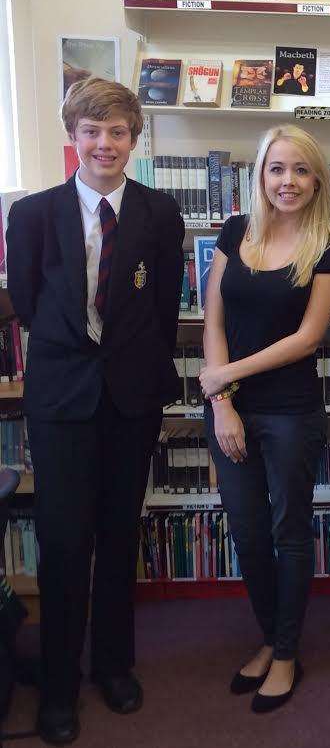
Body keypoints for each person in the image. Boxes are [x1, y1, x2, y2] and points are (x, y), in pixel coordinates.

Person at [6, 77, 184, 744]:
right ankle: (58, 685)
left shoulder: (160, 214)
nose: (105, 143)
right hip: (61, 401)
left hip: (130, 398)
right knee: (61, 541)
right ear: (73, 138)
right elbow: (28, 303)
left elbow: (162, 308)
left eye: (117, 132)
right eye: (92, 131)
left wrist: (137, 373)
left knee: (117, 536)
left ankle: (113, 665)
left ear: (134, 139)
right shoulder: (31, 215)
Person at [199, 125, 330, 714]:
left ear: (317, 181)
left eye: (301, 171)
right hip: (230, 411)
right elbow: (213, 319)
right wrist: (222, 401)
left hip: (290, 412)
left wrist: (224, 376)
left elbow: (309, 337)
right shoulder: (236, 230)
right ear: (260, 174)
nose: (288, 181)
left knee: (288, 534)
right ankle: (269, 637)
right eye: (276, 169)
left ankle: (287, 651)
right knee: (247, 532)